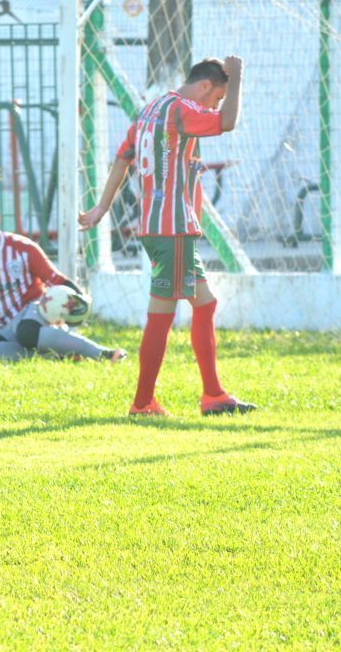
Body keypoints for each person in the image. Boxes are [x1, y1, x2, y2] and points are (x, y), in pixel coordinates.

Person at [80, 57, 257, 417]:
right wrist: (237, 77)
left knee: (204, 306)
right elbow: (227, 123)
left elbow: (123, 157)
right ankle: (143, 402)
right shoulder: (182, 108)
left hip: (162, 226)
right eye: (217, 96)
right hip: (172, 228)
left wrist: (102, 207)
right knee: (161, 314)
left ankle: (213, 396)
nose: (214, 106)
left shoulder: (151, 111)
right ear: (205, 85)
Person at [0, 195, 125, 362]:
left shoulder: (22, 248)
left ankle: (101, 353)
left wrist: (81, 300)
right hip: (2, 327)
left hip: (35, 314)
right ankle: (54, 355)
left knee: (26, 331)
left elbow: (56, 280)